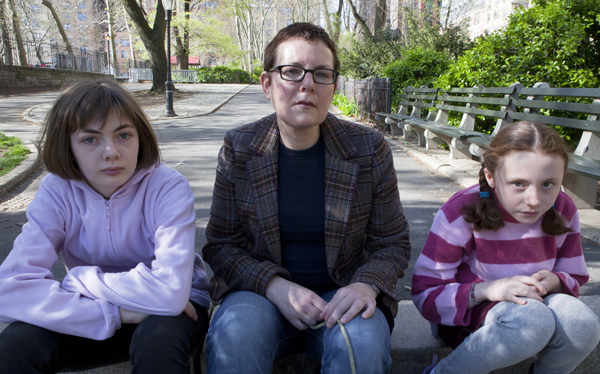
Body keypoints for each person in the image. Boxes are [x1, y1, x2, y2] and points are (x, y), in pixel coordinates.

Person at [202, 22, 411, 374]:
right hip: (259, 297)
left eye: (321, 73)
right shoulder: (240, 147)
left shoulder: (367, 149)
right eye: (292, 72)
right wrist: (274, 286)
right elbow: (221, 244)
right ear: (267, 84)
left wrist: (366, 284)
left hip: (342, 296)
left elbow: (392, 243)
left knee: (360, 346)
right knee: (236, 339)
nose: (308, 84)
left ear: (333, 85)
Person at [0, 79, 211, 373]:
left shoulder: (167, 187)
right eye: (90, 139)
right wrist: (116, 312)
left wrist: (80, 280)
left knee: (157, 343)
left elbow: (170, 293)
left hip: (172, 314)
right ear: (68, 147)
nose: (111, 151)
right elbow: (9, 289)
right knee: (13, 346)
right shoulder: (57, 191)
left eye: (123, 135)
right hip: (95, 310)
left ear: (140, 137)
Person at [412, 121, 600, 374]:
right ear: (490, 177)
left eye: (548, 184)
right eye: (518, 184)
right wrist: (489, 289)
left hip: (537, 308)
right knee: (531, 320)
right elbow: (426, 295)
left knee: (582, 323)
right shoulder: (461, 212)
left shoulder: (563, 209)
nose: (534, 200)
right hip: (466, 315)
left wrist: (555, 281)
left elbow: (574, 276)